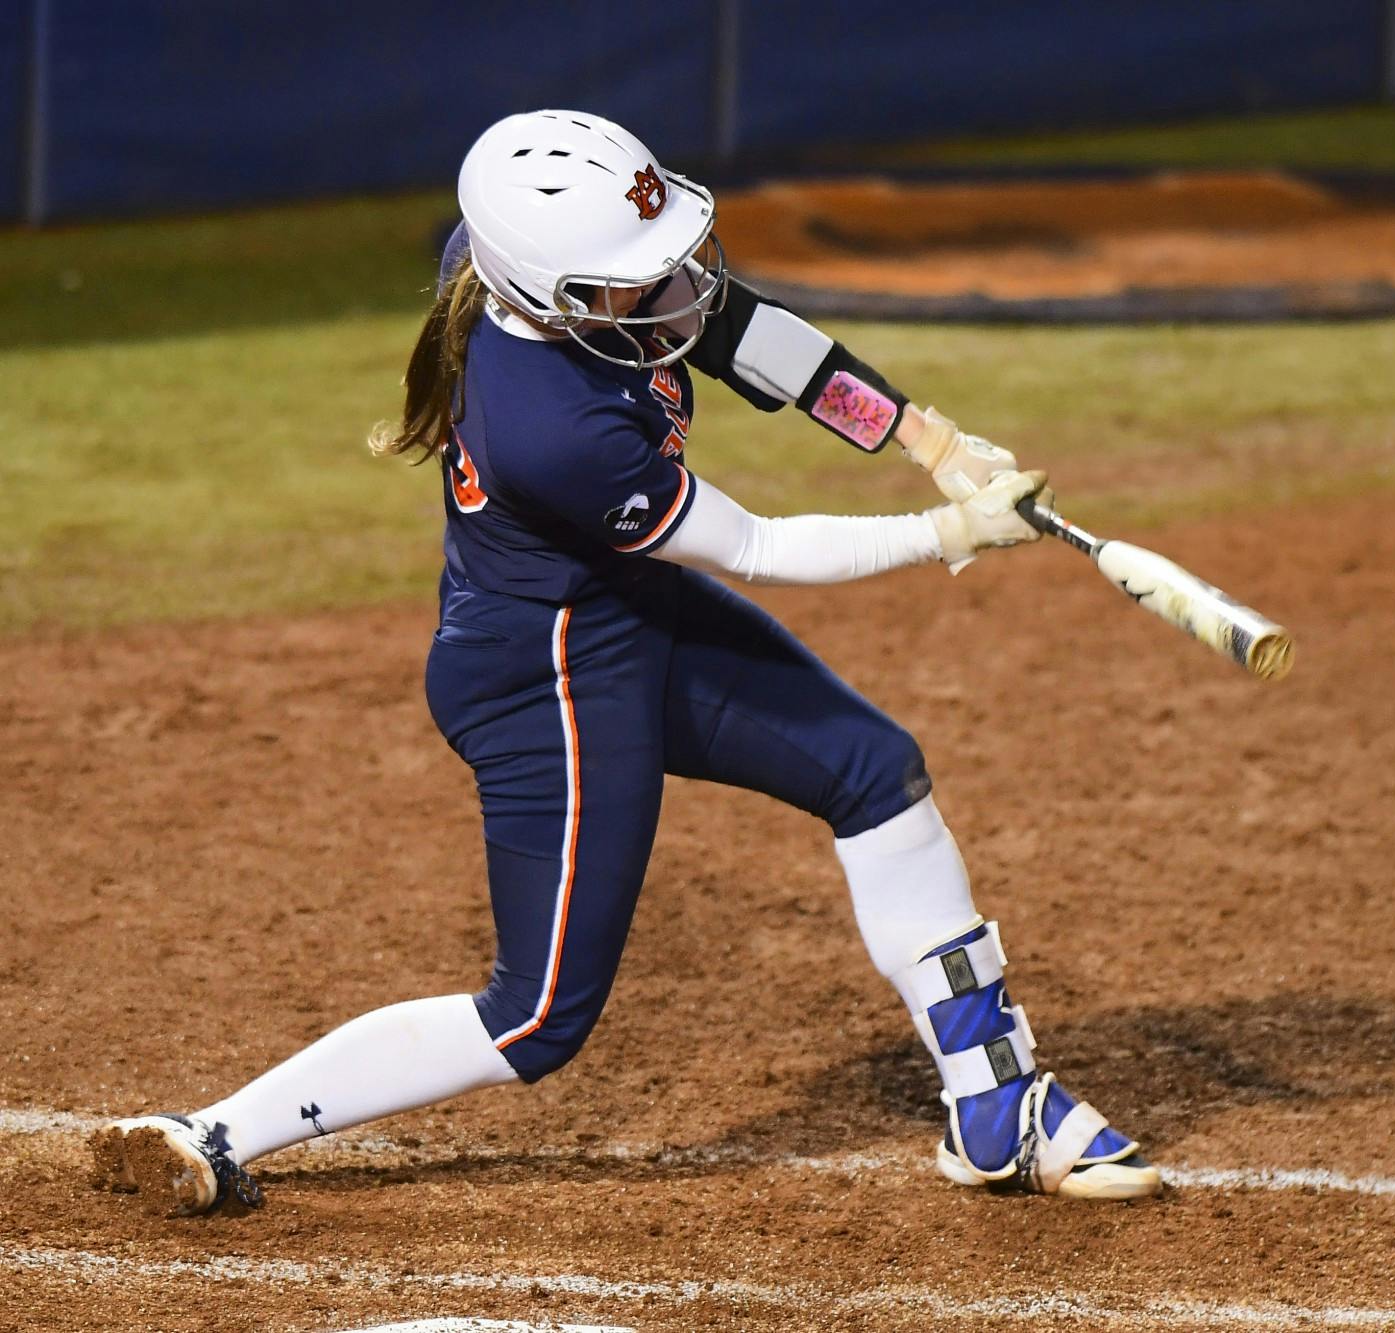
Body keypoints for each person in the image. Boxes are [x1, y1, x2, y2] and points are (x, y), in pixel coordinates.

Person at [87, 110, 1160, 1215]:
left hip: (628, 613)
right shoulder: (554, 430)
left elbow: (743, 332)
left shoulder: (548, 278)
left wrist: (926, 441)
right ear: (549, 294)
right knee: (535, 1017)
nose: (670, 288)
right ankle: (213, 1131)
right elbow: (760, 548)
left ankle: (995, 1107)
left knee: (873, 772)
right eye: (633, 278)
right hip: (541, 681)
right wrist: (950, 534)